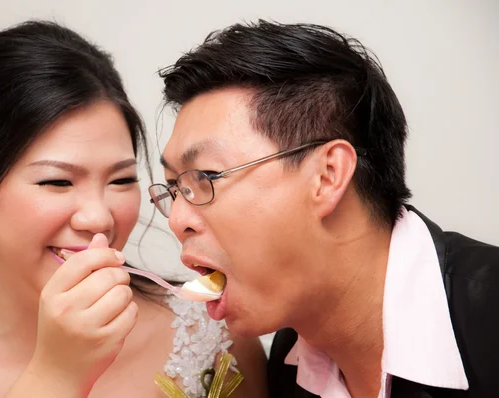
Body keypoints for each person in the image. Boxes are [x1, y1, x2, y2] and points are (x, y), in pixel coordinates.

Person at [0, 20, 268, 398]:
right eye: (57, 182)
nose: (99, 219)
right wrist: (56, 375)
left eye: (121, 180)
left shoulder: (210, 336)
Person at [149, 20, 499, 397]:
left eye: (206, 177)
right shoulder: (289, 361)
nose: (177, 219)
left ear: (328, 175)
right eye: (174, 188)